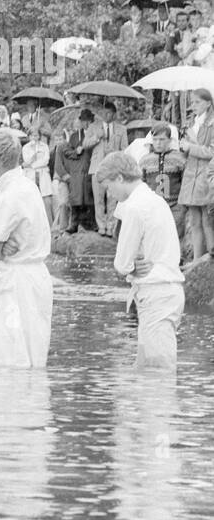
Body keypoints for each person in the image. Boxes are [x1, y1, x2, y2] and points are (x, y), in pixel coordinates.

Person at [99, 152, 185, 367]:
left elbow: (122, 263)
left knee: (158, 371)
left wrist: (130, 267)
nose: (109, 193)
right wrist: (132, 266)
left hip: (156, 292)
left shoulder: (135, 208)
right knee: (147, 370)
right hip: (165, 290)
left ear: (120, 178)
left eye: (109, 187)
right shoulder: (154, 200)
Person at [0, 129, 53, 368]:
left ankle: (10, 403)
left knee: (9, 351)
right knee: (33, 350)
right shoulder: (27, 186)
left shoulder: (8, 196)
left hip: (16, 279)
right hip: (37, 276)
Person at [177, 87, 214, 262]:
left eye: (198, 102)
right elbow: (185, 154)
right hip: (190, 176)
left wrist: (191, 147)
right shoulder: (190, 124)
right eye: (192, 102)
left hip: (206, 176)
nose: (194, 105)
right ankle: (197, 260)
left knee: (207, 220)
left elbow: (211, 152)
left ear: (208, 103)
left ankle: (210, 258)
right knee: (195, 221)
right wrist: (182, 145)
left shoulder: (212, 124)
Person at [85, 102, 128, 237]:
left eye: (108, 113)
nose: (105, 115)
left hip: (113, 168)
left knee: (112, 199)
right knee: (98, 199)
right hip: (97, 167)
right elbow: (85, 144)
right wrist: (97, 137)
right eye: (103, 112)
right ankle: (101, 226)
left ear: (114, 114)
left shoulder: (121, 129)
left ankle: (111, 226)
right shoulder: (93, 127)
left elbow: (125, 149)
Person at [53, 110, 96, 233]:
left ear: (91, 121)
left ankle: (91, 223)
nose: (85, 124)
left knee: (89, 196)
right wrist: (76, 152)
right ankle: (74, 223)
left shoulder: (95, 133)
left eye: (87, 121)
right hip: (76, 171)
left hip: (90, 168)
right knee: (76, 197)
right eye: (83, 121)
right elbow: (69, 153)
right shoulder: (74, 136)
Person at [138, 125, 186, 228]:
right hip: (153, 207)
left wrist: (182, 205)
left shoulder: (180, 158)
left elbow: (185, 183)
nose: (158, 143)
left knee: (175, 238)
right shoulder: (145, 160)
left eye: (162, 139)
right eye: (155, 140)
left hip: (175, 207)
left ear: (169, 140)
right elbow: (140, 185)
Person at [23, 123, 54, 224]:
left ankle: (50, 224)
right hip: (31, 175)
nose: (34, 137)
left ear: (39, 136)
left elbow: (45, 160)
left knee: (46, 200)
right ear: (29, 136)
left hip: (43, 174)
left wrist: (33, 165)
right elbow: (27, 160)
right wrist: (34, 154)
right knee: (32, 200)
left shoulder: (44, 146)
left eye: (36, 135)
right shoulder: (26, 148)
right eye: (32, 135)